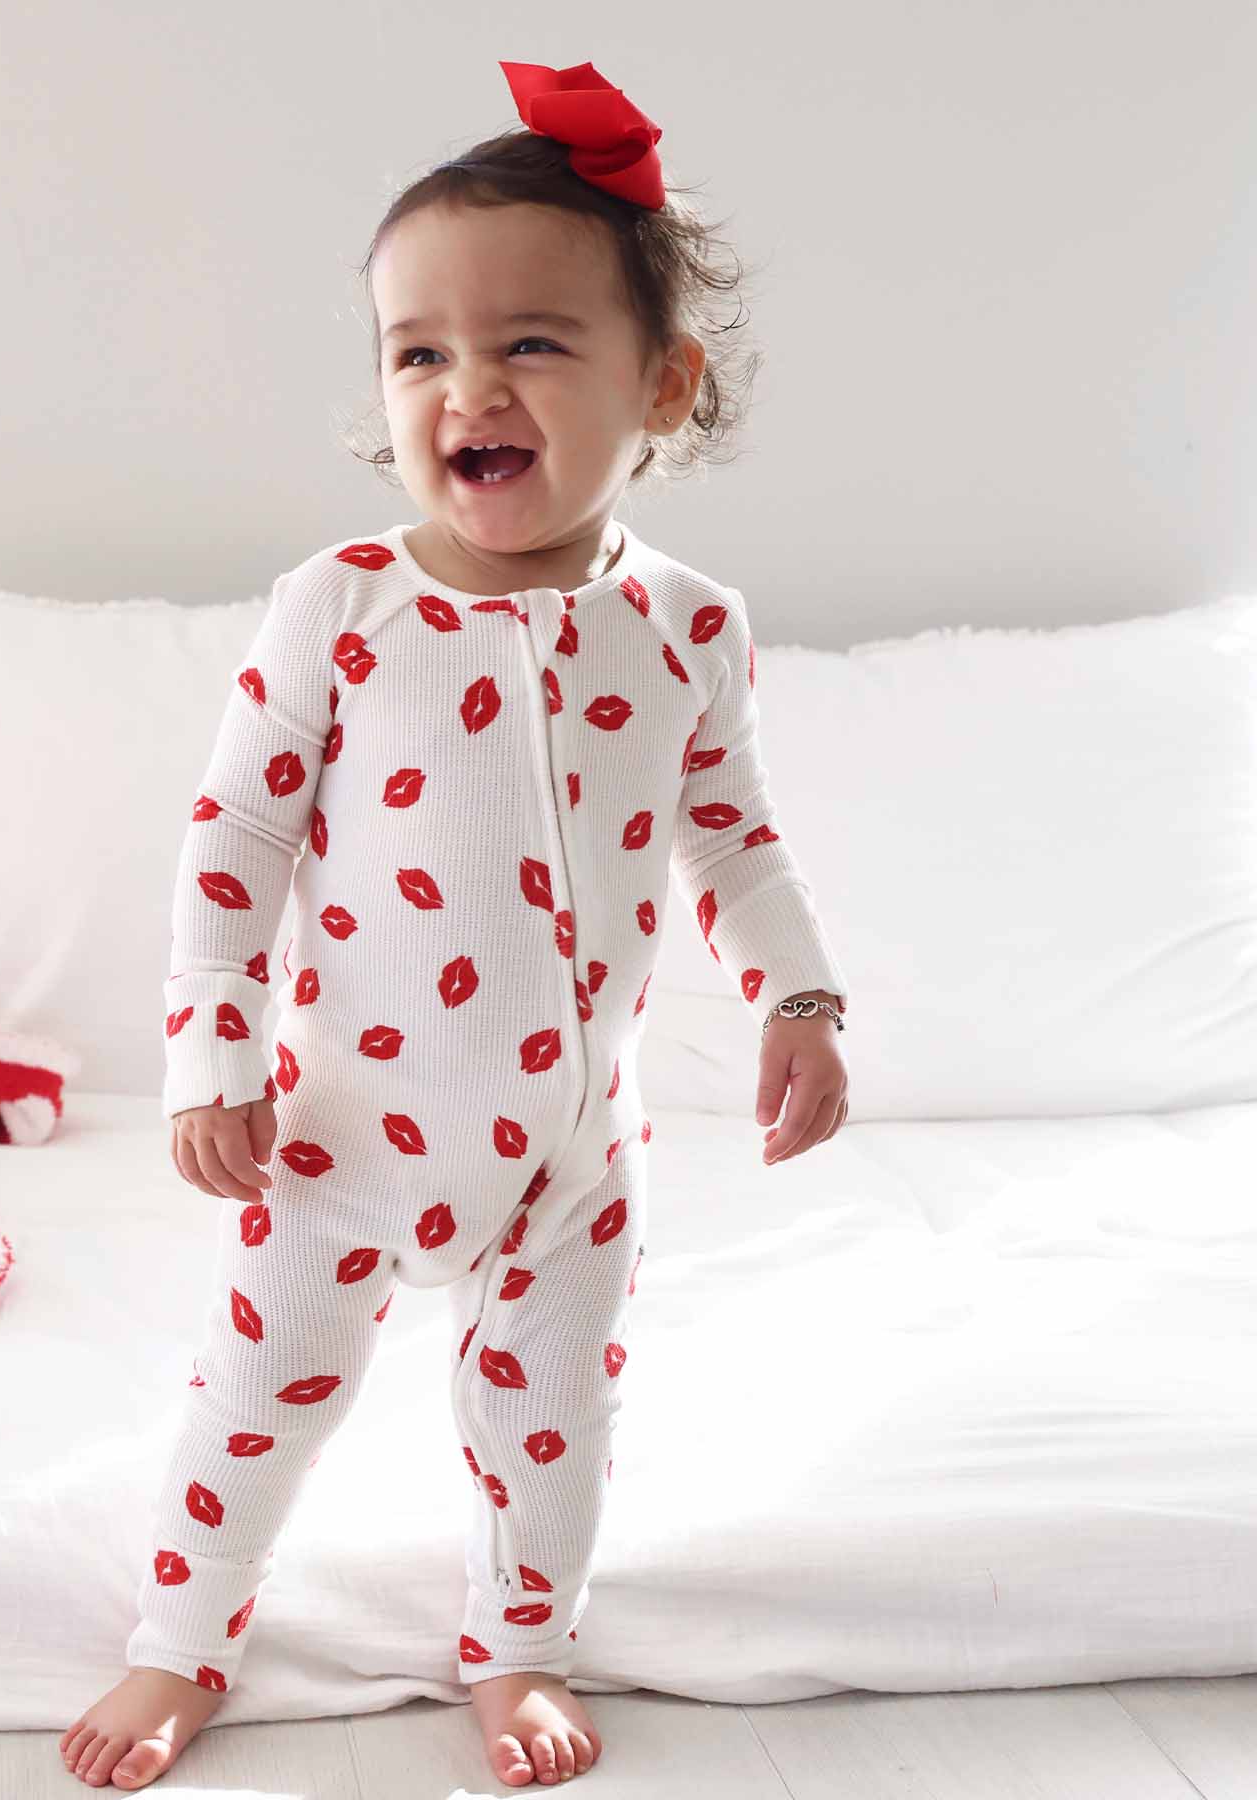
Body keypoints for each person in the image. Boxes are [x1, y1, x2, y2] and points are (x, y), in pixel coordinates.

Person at [61, 57, 853, 1793]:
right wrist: (212, 1053)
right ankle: (180, 1641)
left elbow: (733, 836)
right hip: (346, 1128)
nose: (467, 388)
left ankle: (521, 1647)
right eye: (418, 352)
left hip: (575, 1149)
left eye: (532, 343)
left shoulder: (690, 624)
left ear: (663, 383)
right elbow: (237, 837)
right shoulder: (341, 607)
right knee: (256, 1400)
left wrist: (802, 1000)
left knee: (555, 1420)